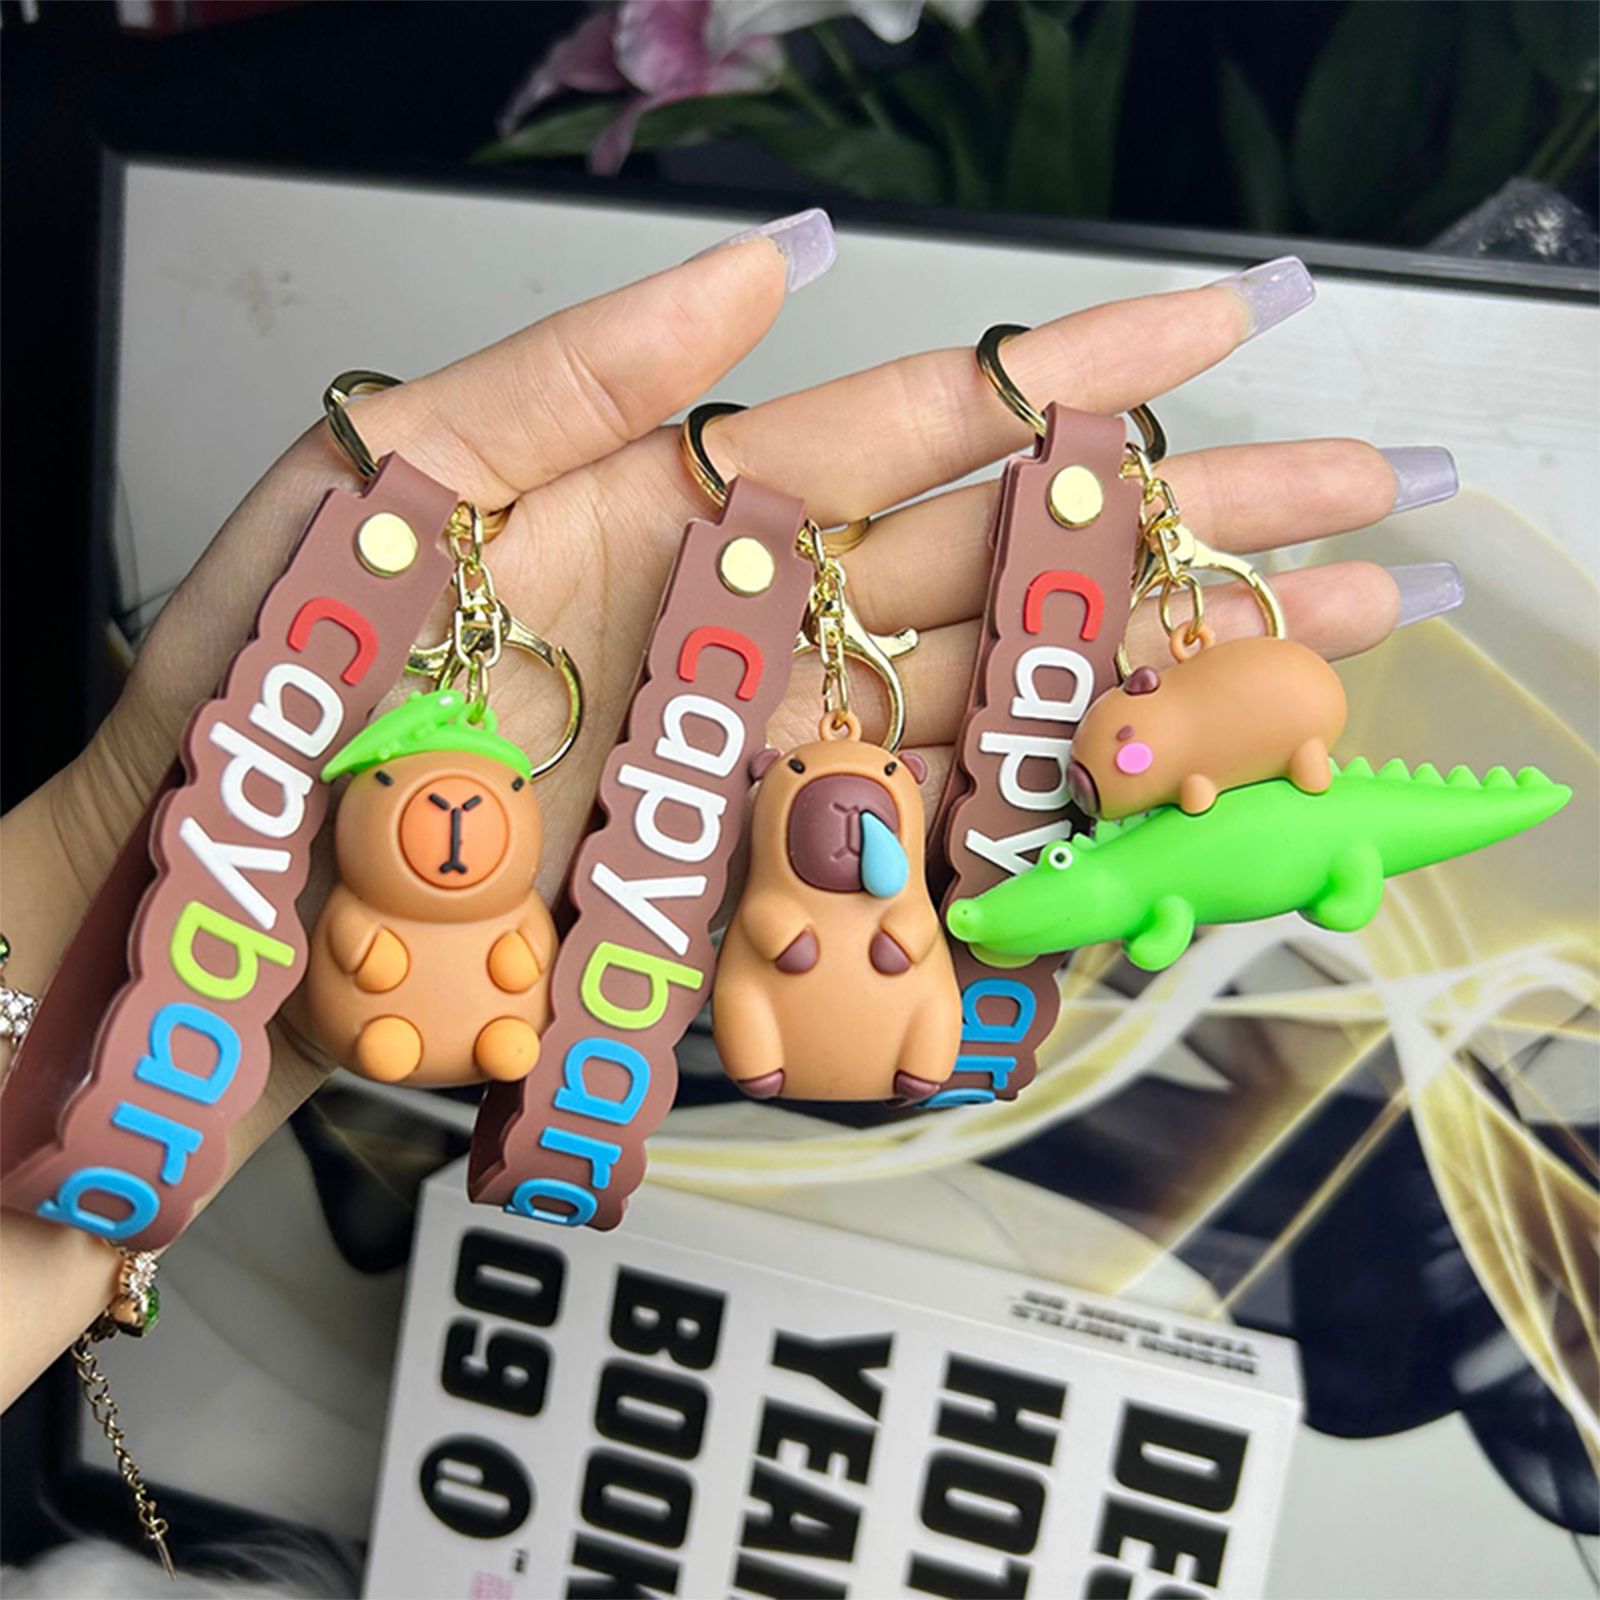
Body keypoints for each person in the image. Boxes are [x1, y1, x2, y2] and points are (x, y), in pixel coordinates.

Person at [0, 210, 1460, 1411]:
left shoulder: (811, 842)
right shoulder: (628, 844)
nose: (449, 824)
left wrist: (101, 887)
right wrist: (110, 847)